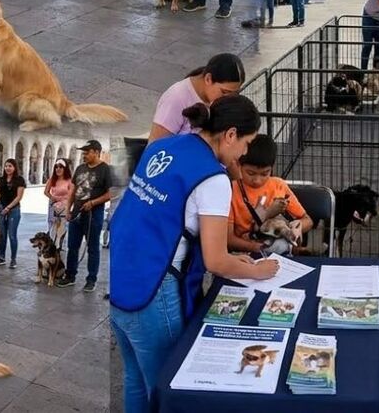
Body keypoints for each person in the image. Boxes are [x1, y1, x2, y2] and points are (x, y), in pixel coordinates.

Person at [109, 96, 280, 413]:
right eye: (246, 143)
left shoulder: (164, 146)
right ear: (230, 134)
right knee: (167, 388)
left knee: (135, 380)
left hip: (122, 277)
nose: (244, 153)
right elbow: (216, 261)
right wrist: (258, 270)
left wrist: (235, 260)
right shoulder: (213, 178)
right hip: (155, 291)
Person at [227, 136, 315, 255]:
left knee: (281, 243)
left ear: (272, 168)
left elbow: (307, 220)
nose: (257, 180)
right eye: (250, 173)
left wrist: (298, 227)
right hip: (245, 250)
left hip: (276, 247)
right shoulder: (231, 190)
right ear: (239, 165)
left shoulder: (278, 185)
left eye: (265, 174)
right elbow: (228, 238)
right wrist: (256, 248)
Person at [149, 53, 246, 142]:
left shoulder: (216, 99)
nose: (227, 99)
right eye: (224, 92)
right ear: (208, 79)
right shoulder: (176, 98)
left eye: (233, 94)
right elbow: (155, 146)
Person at [58, 141, 114, 292]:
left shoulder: (105, 169)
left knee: (93, 248)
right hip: (76, 212)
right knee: (72, 246)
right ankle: (70, 275)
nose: (84, 155)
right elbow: (72, 190)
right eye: (83, 152)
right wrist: (68, 210)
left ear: (96, 152)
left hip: (93, 215)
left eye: (87, 152)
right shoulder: (80, 168)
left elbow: (110, 193)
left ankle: (91, 280)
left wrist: (93, 202)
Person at [0, 159, 25, 267]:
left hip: (14, 210)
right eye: (6, 166)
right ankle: (2, 257)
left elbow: (19, 197)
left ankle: (13, 259)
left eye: (10, 166)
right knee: (2, 235)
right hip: (2, 209)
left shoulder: (19, 180)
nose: (7, 168)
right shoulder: (1, 180)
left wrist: (9, 207)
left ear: (14, 167)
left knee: (12, 235)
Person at [43, 158, 73, 236]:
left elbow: (71, 195)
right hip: (54, 205)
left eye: (60, 167)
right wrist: (51, 197)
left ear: (65, 169)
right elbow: (46, 192)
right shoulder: (52, 180)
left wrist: (69, 208)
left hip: (64, 207)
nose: (58, 169)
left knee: (62, 229)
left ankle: (61, 243)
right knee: (53, 227)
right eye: (56, 167)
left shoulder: (69, 181)